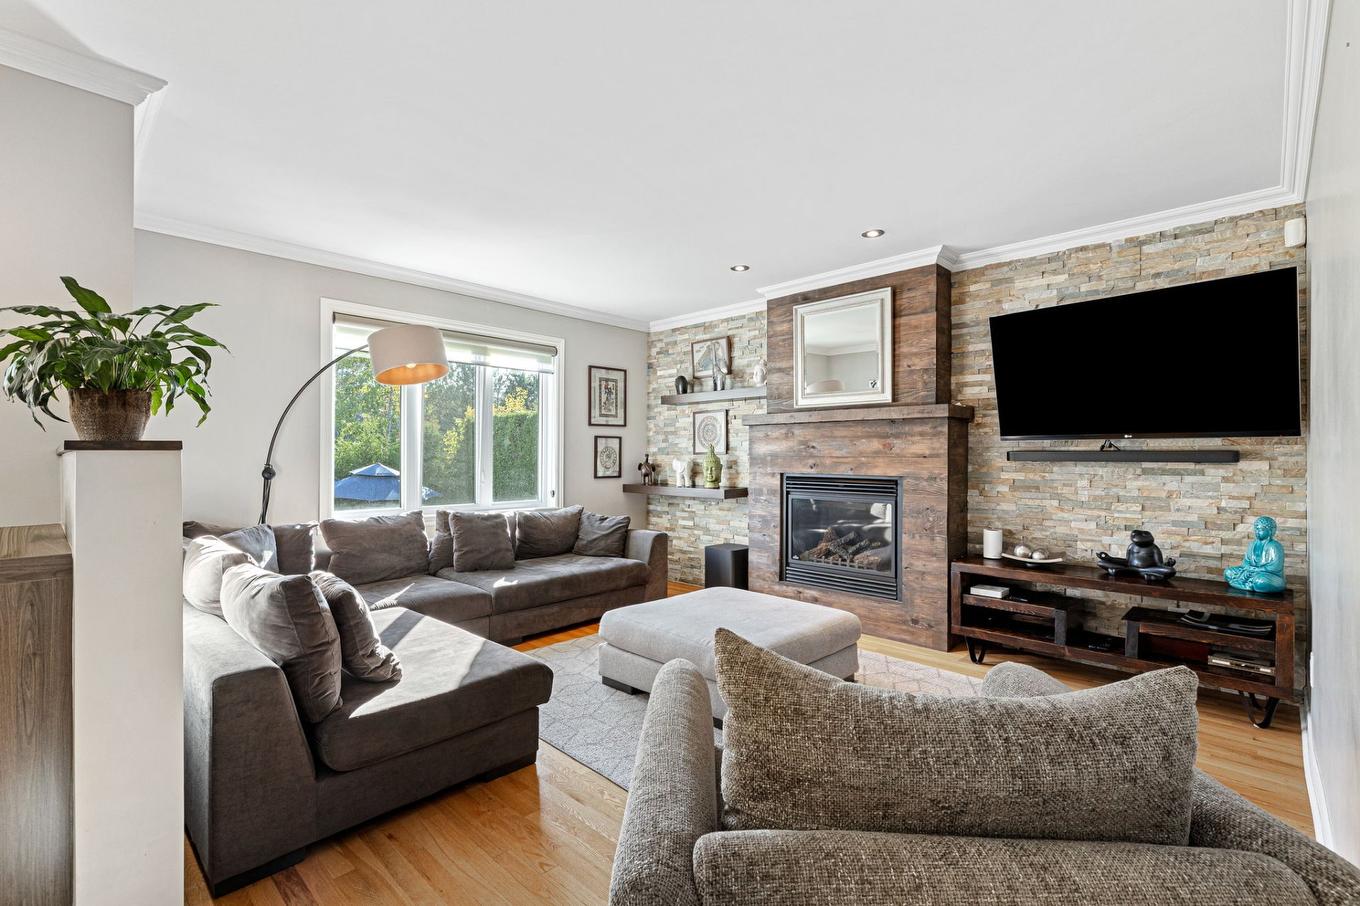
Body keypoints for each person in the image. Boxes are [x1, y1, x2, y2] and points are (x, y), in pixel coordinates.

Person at [1224, 515, 1287, 593]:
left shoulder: (1275, 546)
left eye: (1261, 529)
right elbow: (1245, 562)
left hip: (1270, 576)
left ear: (1270, 531)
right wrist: (1249, 569)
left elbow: (1275, 567)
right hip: (1250, 572)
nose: (1257, 532)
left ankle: (1248, 583)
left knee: (1260, 581)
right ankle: (1248, 584)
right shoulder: (1252, 544)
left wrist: (1257, 569)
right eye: (1256, 529)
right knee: (1228, 572)